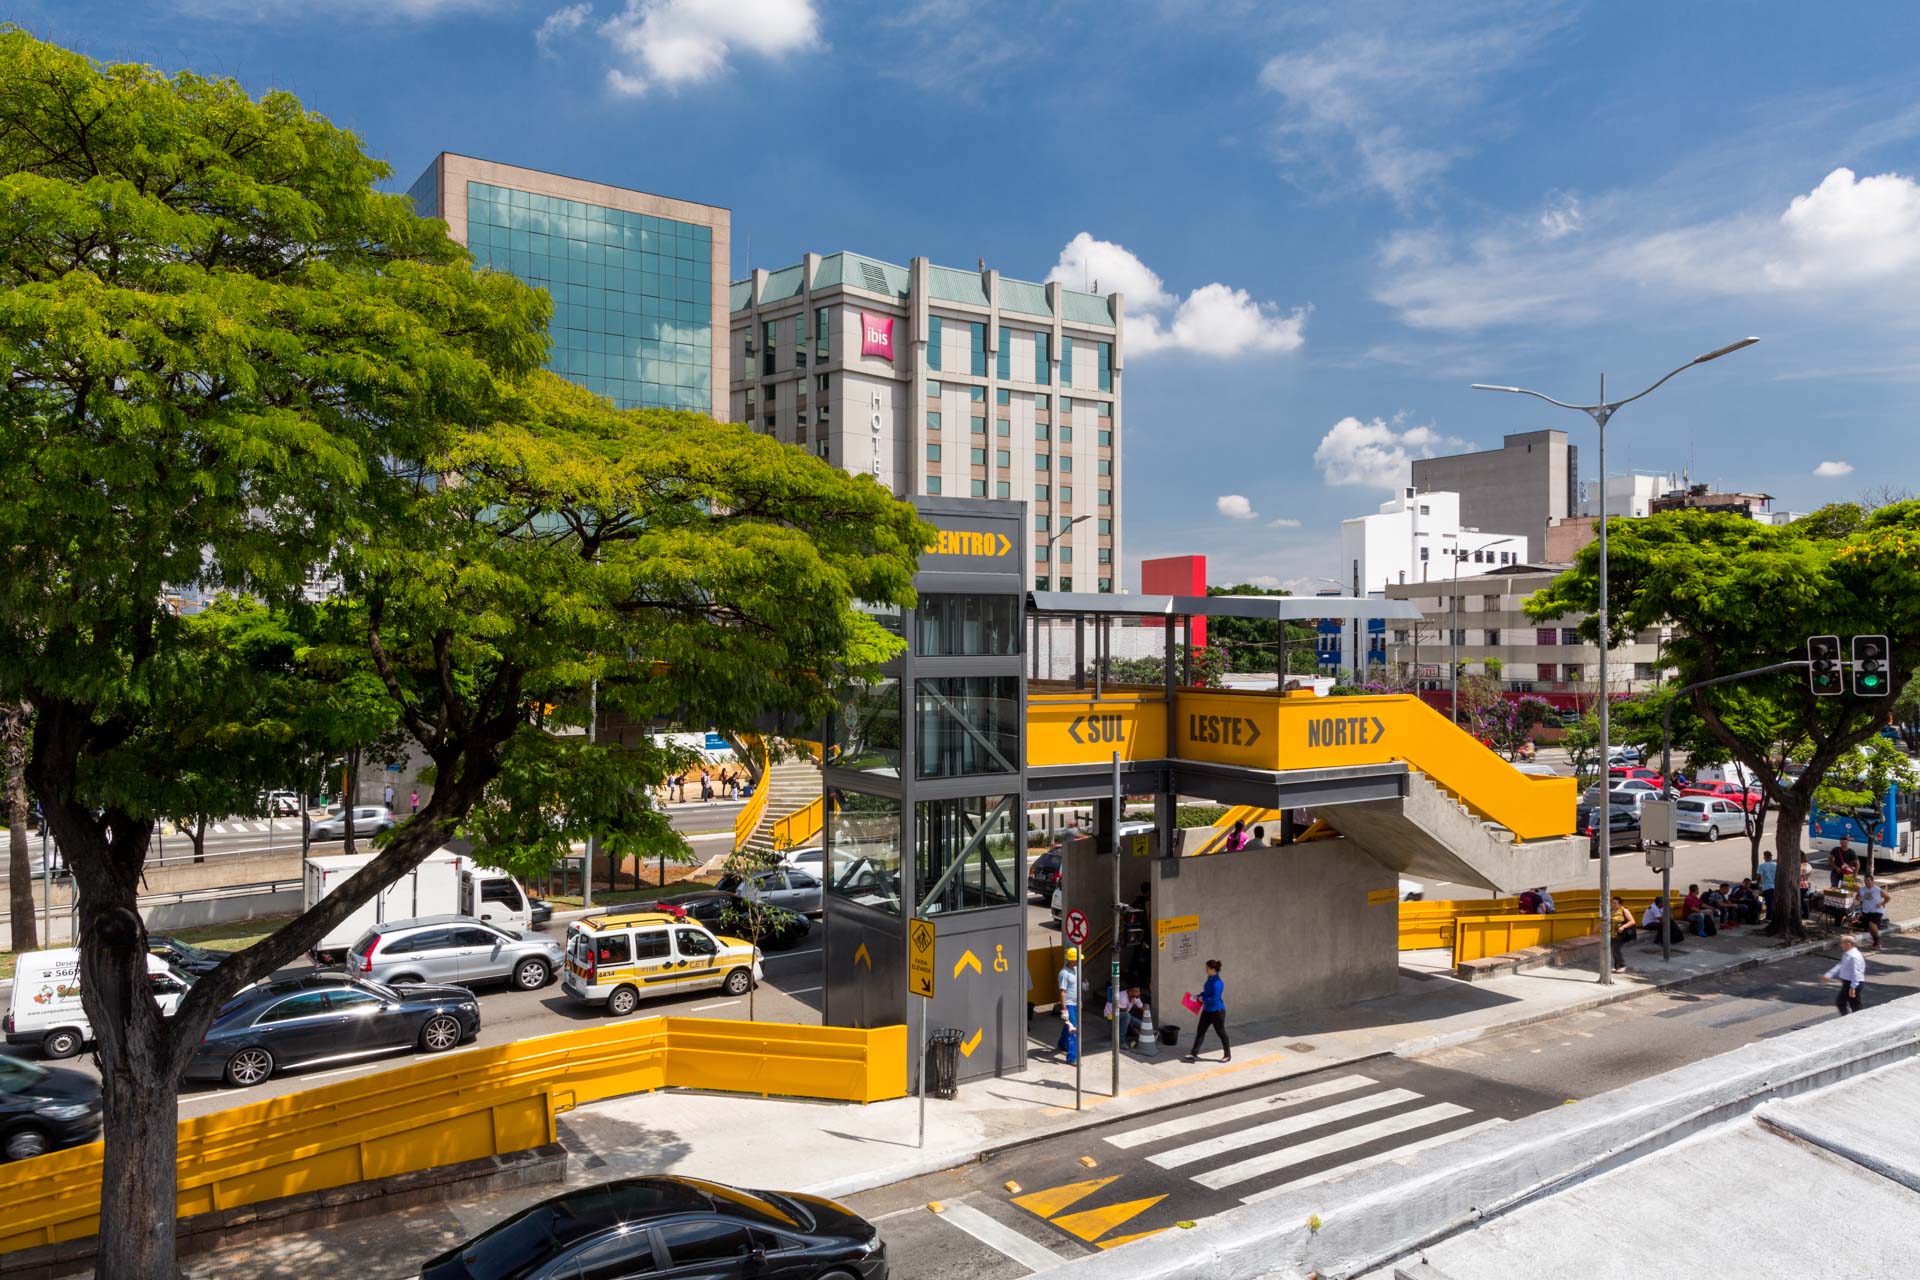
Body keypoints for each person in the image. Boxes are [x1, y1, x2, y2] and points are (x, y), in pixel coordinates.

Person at [1184, 959, 1230, 1063]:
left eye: (1207, 968)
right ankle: (1194, 1053)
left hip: (1217, 1011)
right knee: (1200, 1031)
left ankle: (1227, 1055)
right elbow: (1206, 992)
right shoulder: (1210, 979)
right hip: (1207, 1010)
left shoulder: (1218, 983)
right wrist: (1199, 996)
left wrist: (1203, 999)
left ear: (1213, 969)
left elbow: (1215, 998)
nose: (1206, 970)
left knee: (1221, 1032)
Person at [1826, 935, 1866, 1016]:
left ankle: (1852, 1020)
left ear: (1848, 944)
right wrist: (1829, 974)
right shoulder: (1848, 954)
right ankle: (1852, 1020)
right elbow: (1841, 965)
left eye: (1842, 943)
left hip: (1853, 983)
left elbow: (1857, 973)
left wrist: (1853, 987)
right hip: (1848, 983)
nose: (1841, 945)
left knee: (1845, 1003)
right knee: (1852, 1005)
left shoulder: (1854, 956)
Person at [1057, 947, 1081, 1065]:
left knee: (1068, 1025)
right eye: (1077, 960)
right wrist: (1064, 1008)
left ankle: (1062, 1044)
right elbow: (1062, 992)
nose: (1078, 961)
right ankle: (1072, 1057)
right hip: (1069, 1005)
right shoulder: (1064, 973)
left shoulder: (1077, 968)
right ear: (1071, 961)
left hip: (1076, 1003)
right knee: (1073, 1029)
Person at [1853, 875, 1889, 950]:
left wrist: (1881, 904)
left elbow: (1888, 898)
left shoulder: (1878, 890)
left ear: (1872, 881)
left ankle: (1878, 942)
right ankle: (1875, 942)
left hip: (1877, 910)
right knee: (1869, 928)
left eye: (1868, 880)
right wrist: (1859, 899)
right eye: (1865, 880)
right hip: (1866, 910)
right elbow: (1857, 897)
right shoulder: (1862, 889)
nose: (1866, 882)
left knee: (1872, 924)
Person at [1110, 985, 1146, 1050]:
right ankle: (1121, 1042)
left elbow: (1142, 1008)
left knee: (1139, 1023)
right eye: (1137, 991)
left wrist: (1148, 1022)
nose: (1139, 993)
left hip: (1124, 1014)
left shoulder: (1135, 997)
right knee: (1127, 1016)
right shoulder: (1122, 997)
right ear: (1130, 992)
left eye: (1139, 991)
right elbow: (1125, 1017)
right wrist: (1133, 1029)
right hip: (1111, 1015)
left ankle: (1147, 1034)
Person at [1610, 896, 1637, 973]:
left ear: (1620, 904)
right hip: (1612, 933)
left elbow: (1632, 921)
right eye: (1612, 902)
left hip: (1622, 934)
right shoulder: (1610, 910)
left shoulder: (1624, 911)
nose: (1613, 904)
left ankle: (1622, 965)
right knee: (1613, 949)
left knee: (1617, 948)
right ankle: (1617, 966)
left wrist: (1623, 927)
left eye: (1615, 903)